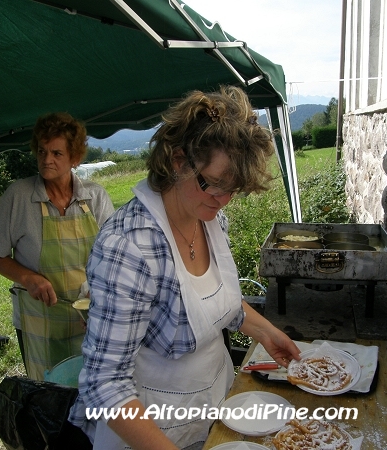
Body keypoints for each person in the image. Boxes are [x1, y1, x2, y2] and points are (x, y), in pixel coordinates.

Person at [68, 86, 301, 450]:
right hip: (151, 432)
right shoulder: (128, 246)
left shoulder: (209, 217)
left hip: (214, 409)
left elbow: (212, 303)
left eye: (232, 189)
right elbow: (104, 384)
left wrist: (266, 332)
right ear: (178, 161)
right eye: (214, 184)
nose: (222, 200)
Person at [0, 112, 114, 380]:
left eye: (56, 153)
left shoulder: (95, 197)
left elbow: (114, 258)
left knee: (93, 392)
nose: (46, 160)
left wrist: (99, 295)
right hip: (39, 320)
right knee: (48, 397)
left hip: (89, 317)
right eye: (42, 151)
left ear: (75, 158)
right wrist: (28, 278)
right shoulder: (19, 197)